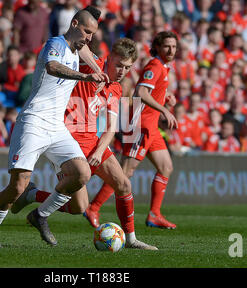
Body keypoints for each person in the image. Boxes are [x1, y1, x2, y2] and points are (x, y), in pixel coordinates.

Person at [0, 6, 109, 248]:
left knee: (82, 174)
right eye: (87, 32)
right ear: (73, 25)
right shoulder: (56, 44)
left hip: (56, 126)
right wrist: (86, 77)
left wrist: (99, 72)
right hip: (33, 122)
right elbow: (52, 67)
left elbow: (87, 54)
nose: (89, 38)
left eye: (93, 34)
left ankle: (40, 215)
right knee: (18, 186)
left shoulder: (78, 47)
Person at [11, 38, 158, 250]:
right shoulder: (89, 66)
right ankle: (32, 195)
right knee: (78, 206)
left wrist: (99, 151)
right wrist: (96, 68)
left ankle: (131, 239)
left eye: (127, 67)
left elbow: (110, 127)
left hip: (93, 142)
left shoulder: (115, 88)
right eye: (118, 64)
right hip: (65, 140)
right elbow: (78, 44)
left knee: (124, 184)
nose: (122, 71)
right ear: (109, 58)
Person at [84, 31, 179, 230]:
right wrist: (163, 110)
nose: (171, 50)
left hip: (151, 126)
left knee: (166, 166)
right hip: (141, 124)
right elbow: (141, 92)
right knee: (124, 172)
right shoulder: (155, 65)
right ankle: (93, 207)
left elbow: (150, 88)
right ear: (158, 47)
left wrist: (165, 96)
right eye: (167, 46)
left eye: (174, 46)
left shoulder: (162, 67)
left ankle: (154, 214)